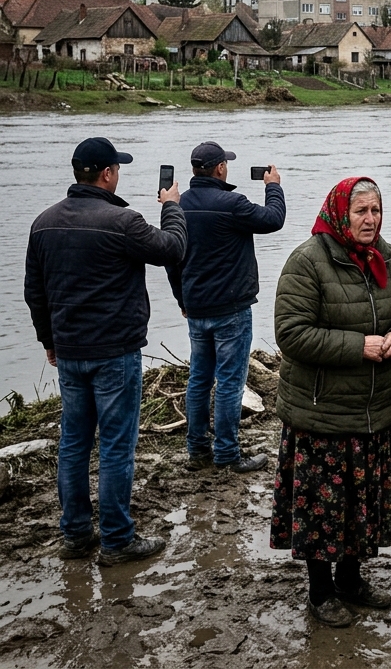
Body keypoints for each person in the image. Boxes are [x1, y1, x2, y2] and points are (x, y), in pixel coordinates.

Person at [24, 137, 187, 565]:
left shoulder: (43, 222)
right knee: (115, 445)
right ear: (108, 174)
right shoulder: (123, 220)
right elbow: (173, 249)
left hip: (69, 351)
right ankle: (116, 540)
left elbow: (34, 293)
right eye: (118, 169)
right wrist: (172, 206)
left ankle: (76, 534)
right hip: (115, 351)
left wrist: (48, 341)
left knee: (73, 443)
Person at [270, 177, 391, 628]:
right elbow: (291, 334)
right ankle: (320, 592)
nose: (370, 220)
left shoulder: (388, 258)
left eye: (376, 210)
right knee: (323, 511)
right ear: (340, 214)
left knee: (359, 506)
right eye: (361, 212)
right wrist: (360, 346)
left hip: (371, 410)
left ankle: (351, 580)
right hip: (321, 413)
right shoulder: (307, 261)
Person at [167, 141, 286, 473]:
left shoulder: (178, 206)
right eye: (226, 164)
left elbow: (171, 259)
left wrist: (181, 299)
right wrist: (273, 186)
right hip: (231, 309)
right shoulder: (233, 203)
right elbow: (274, 219)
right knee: (230, 383)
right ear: (220, 168)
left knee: (199, 380)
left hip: (197, 308)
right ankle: (227, 454)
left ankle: (197, 451)